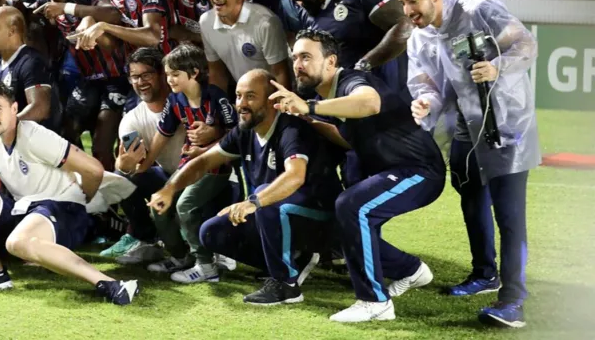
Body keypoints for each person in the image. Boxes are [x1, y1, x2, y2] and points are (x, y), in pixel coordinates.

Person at [397, 0, 538, 328]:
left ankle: (513, 300)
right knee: (470, 195)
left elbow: (527, 44)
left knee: (509, 215)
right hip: (464, 128)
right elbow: (425, 81)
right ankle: (484, 273)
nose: (408, 11)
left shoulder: (480, 11)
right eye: (403, 4)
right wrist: (424, 101)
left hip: (505, 124)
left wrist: (498, 66)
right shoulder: (419, 36)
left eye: (413, 1)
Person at [270, 29, 444, 323]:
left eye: (306, 57)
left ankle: (374, 301)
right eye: (295, 57)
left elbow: (370, 102)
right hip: (390, 170)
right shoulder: (322, 96)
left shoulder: (350, 80)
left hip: (419, 171)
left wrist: (309, 107)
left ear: (330, 62)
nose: (298, 64)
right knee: (347, 220)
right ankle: (410, 270)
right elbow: (348, 139)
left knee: (351, 205)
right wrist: (310, 119)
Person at [0, 81, 139, 305]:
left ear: (14, 109)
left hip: (64, 208)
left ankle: (111, 284)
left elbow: (93, 169)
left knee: (16, 242)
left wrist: (83, 199)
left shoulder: (33, 135)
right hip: (30, 210)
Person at [162, 69, 343, 306]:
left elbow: (295, 176)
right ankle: (294, 262)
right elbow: (205, 161)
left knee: (265, 198)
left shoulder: (291, 129)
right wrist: (170, 188)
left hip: (319, 218)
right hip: (276, 215)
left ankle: (286, 285)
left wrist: (253, 202)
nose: (241, 104)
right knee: (211, 232)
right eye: (238, 96)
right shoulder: (244, 130)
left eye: (250, 96)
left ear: (272, 100)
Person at [130, 44, 236, 282]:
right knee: (160, 204)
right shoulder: (175, 100)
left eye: (175, 74)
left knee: (184, 206)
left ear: (195, 72)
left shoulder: (217, 98)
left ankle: (206, 266)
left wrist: (206, 149)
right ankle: (181, 257)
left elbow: (236, 136)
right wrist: (143, 166)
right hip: (190, 165)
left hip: (219, 167)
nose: (169, 80)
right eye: (167, 75)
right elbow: (163, 134)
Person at [27, 0, 126, 169]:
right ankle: (83, 190)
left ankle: (112, 200)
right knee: (65, 134)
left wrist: (68, 8)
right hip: (88, 80)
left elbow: (113, 14)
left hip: (116, 78)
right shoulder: (45, 4)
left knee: (102, 147)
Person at [100, 48, 185, 262]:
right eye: (134, 77)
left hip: (202, 175)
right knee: (121, 177)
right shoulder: (131, 120)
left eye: (146, 75)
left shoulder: (185, 102)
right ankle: (143, 237)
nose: (140, 82)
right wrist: (124, 165)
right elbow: (130, 161)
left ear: (162, 75)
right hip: (169, 177)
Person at [281, 0, 410, 82]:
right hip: (342, 96)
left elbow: (405, 24)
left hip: (384, 94)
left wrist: (364, 64)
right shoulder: (308, 11)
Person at [199, 0, 291, 93]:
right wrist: (218, 109)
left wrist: (278, 110)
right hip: (243, 98)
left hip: (272, 98)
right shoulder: (206, 22)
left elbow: (281, 75)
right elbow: (217, 73)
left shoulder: (265, 23)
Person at [0, 6, 63, 134]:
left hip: (36, 146)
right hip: (12, 144)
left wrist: (3, 127)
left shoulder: (31, 62)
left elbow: (40, 108)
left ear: (12, 31)